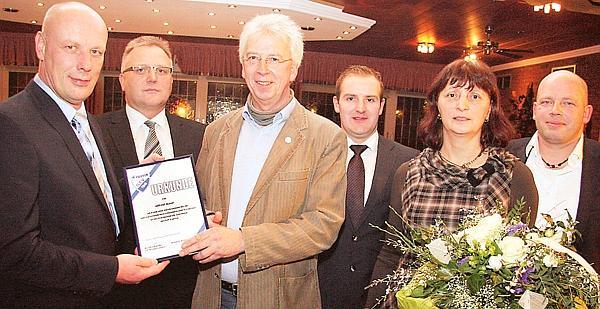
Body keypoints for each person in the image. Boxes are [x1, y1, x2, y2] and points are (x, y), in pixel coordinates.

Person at [0, 2, 167, 308]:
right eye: (71, 47)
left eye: (95, 52)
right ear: (40, 45)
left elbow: (89, 206)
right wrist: (112, 269)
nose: (85, 64)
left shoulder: (87, 121)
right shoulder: (11, 123)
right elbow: (13, 251)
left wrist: (147, 186)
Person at [178, 13, 347, 308]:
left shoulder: (325, 137)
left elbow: (323, 226)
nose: (262, 70)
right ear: (242, 67)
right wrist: (199, 220)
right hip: (211, 296)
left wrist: (243, 240)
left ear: (293, 69)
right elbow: (203, 202)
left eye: (274, 59)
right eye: (253, 58)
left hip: (281, 300)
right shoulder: (217, 131)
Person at [366, 59, 539, 308]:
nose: (462, 105)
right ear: (437, 106)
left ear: (490, 109)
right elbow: (391, 253)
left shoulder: (514, 175)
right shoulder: (408, 173)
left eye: (475, 97)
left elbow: (523, 263)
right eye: (452, 94)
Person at [97, 35, 206, 308]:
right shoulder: (94, 132)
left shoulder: (200, 136)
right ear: (122, 79)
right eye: (140, 69)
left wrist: (209, 216)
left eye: (162, 70)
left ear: (171, 79)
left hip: (185, 287)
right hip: (118, 288)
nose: (152, 77)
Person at [317, 65, 418, 309]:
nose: (360, 108)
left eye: (370, 99)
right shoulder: (314, 156)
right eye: (351, 98)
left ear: (381, 106)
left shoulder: (410, 162)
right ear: (337, 103)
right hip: (318, 293)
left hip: (382, 296)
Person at [506, 70, 598, 272]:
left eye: (568, 103)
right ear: (534, 110)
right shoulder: (502, 157)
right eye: (547, 102)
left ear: (586, 113)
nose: (555, 110)